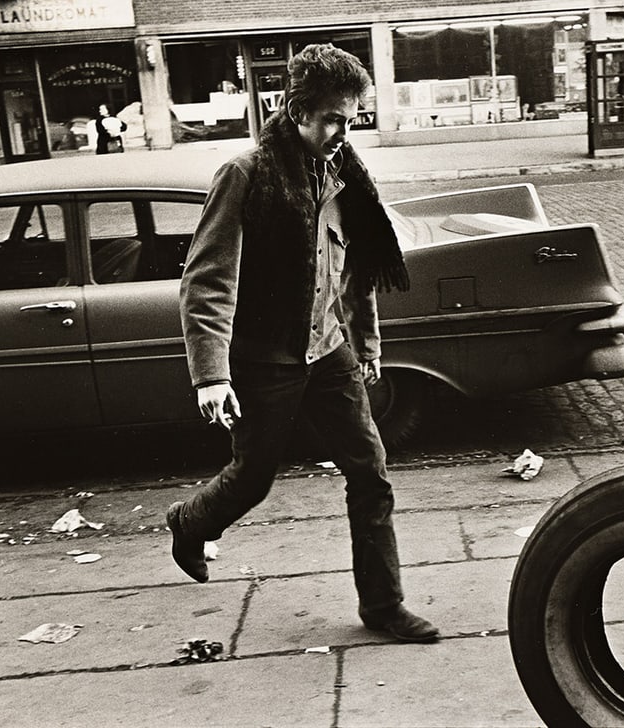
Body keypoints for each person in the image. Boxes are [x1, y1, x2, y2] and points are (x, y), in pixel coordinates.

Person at [169, 44, 439, 643]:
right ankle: (190, 521)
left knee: (370, 469)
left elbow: (355, 270)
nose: (344, 132)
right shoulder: (247, 175)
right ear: (297, 112)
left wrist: (366, 345)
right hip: (266, 360)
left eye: (352, 118)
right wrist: (212, 375)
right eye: (333, 119)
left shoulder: (345, 176)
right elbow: (208, 279)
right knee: (254, 475)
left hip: (330, 352)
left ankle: (383, 606)